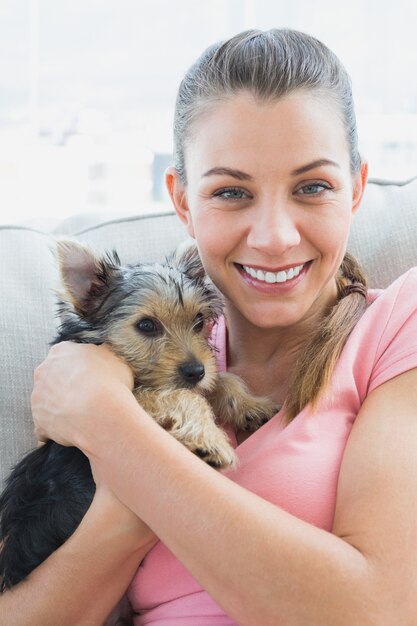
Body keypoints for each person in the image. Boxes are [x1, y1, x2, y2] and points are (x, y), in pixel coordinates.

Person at [2, 28, 417, 626]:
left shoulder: (395, 328)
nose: (275, 237)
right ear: (183, 203)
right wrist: (134, 483)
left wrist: (109, 424)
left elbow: (378, 613)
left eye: (312, 187)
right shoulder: (122, 361)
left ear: (356, 188)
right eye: (231, 191)